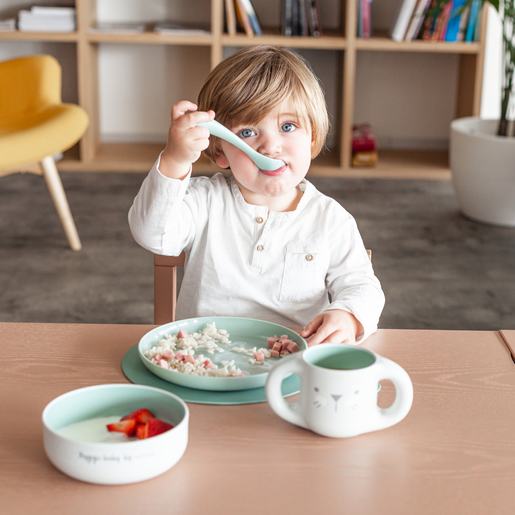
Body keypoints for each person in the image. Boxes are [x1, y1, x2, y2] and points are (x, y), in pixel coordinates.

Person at [129, 46, 384, 345]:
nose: (270, 147)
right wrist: (175, 159)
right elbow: (152, 234)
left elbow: (361, 286)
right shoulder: (204, 201)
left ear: (312, 138)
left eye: (287, 126)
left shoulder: (330, 219)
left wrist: (347, 316)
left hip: (293, 360)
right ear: (220, 151)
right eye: (248, 132)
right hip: (204, 359)